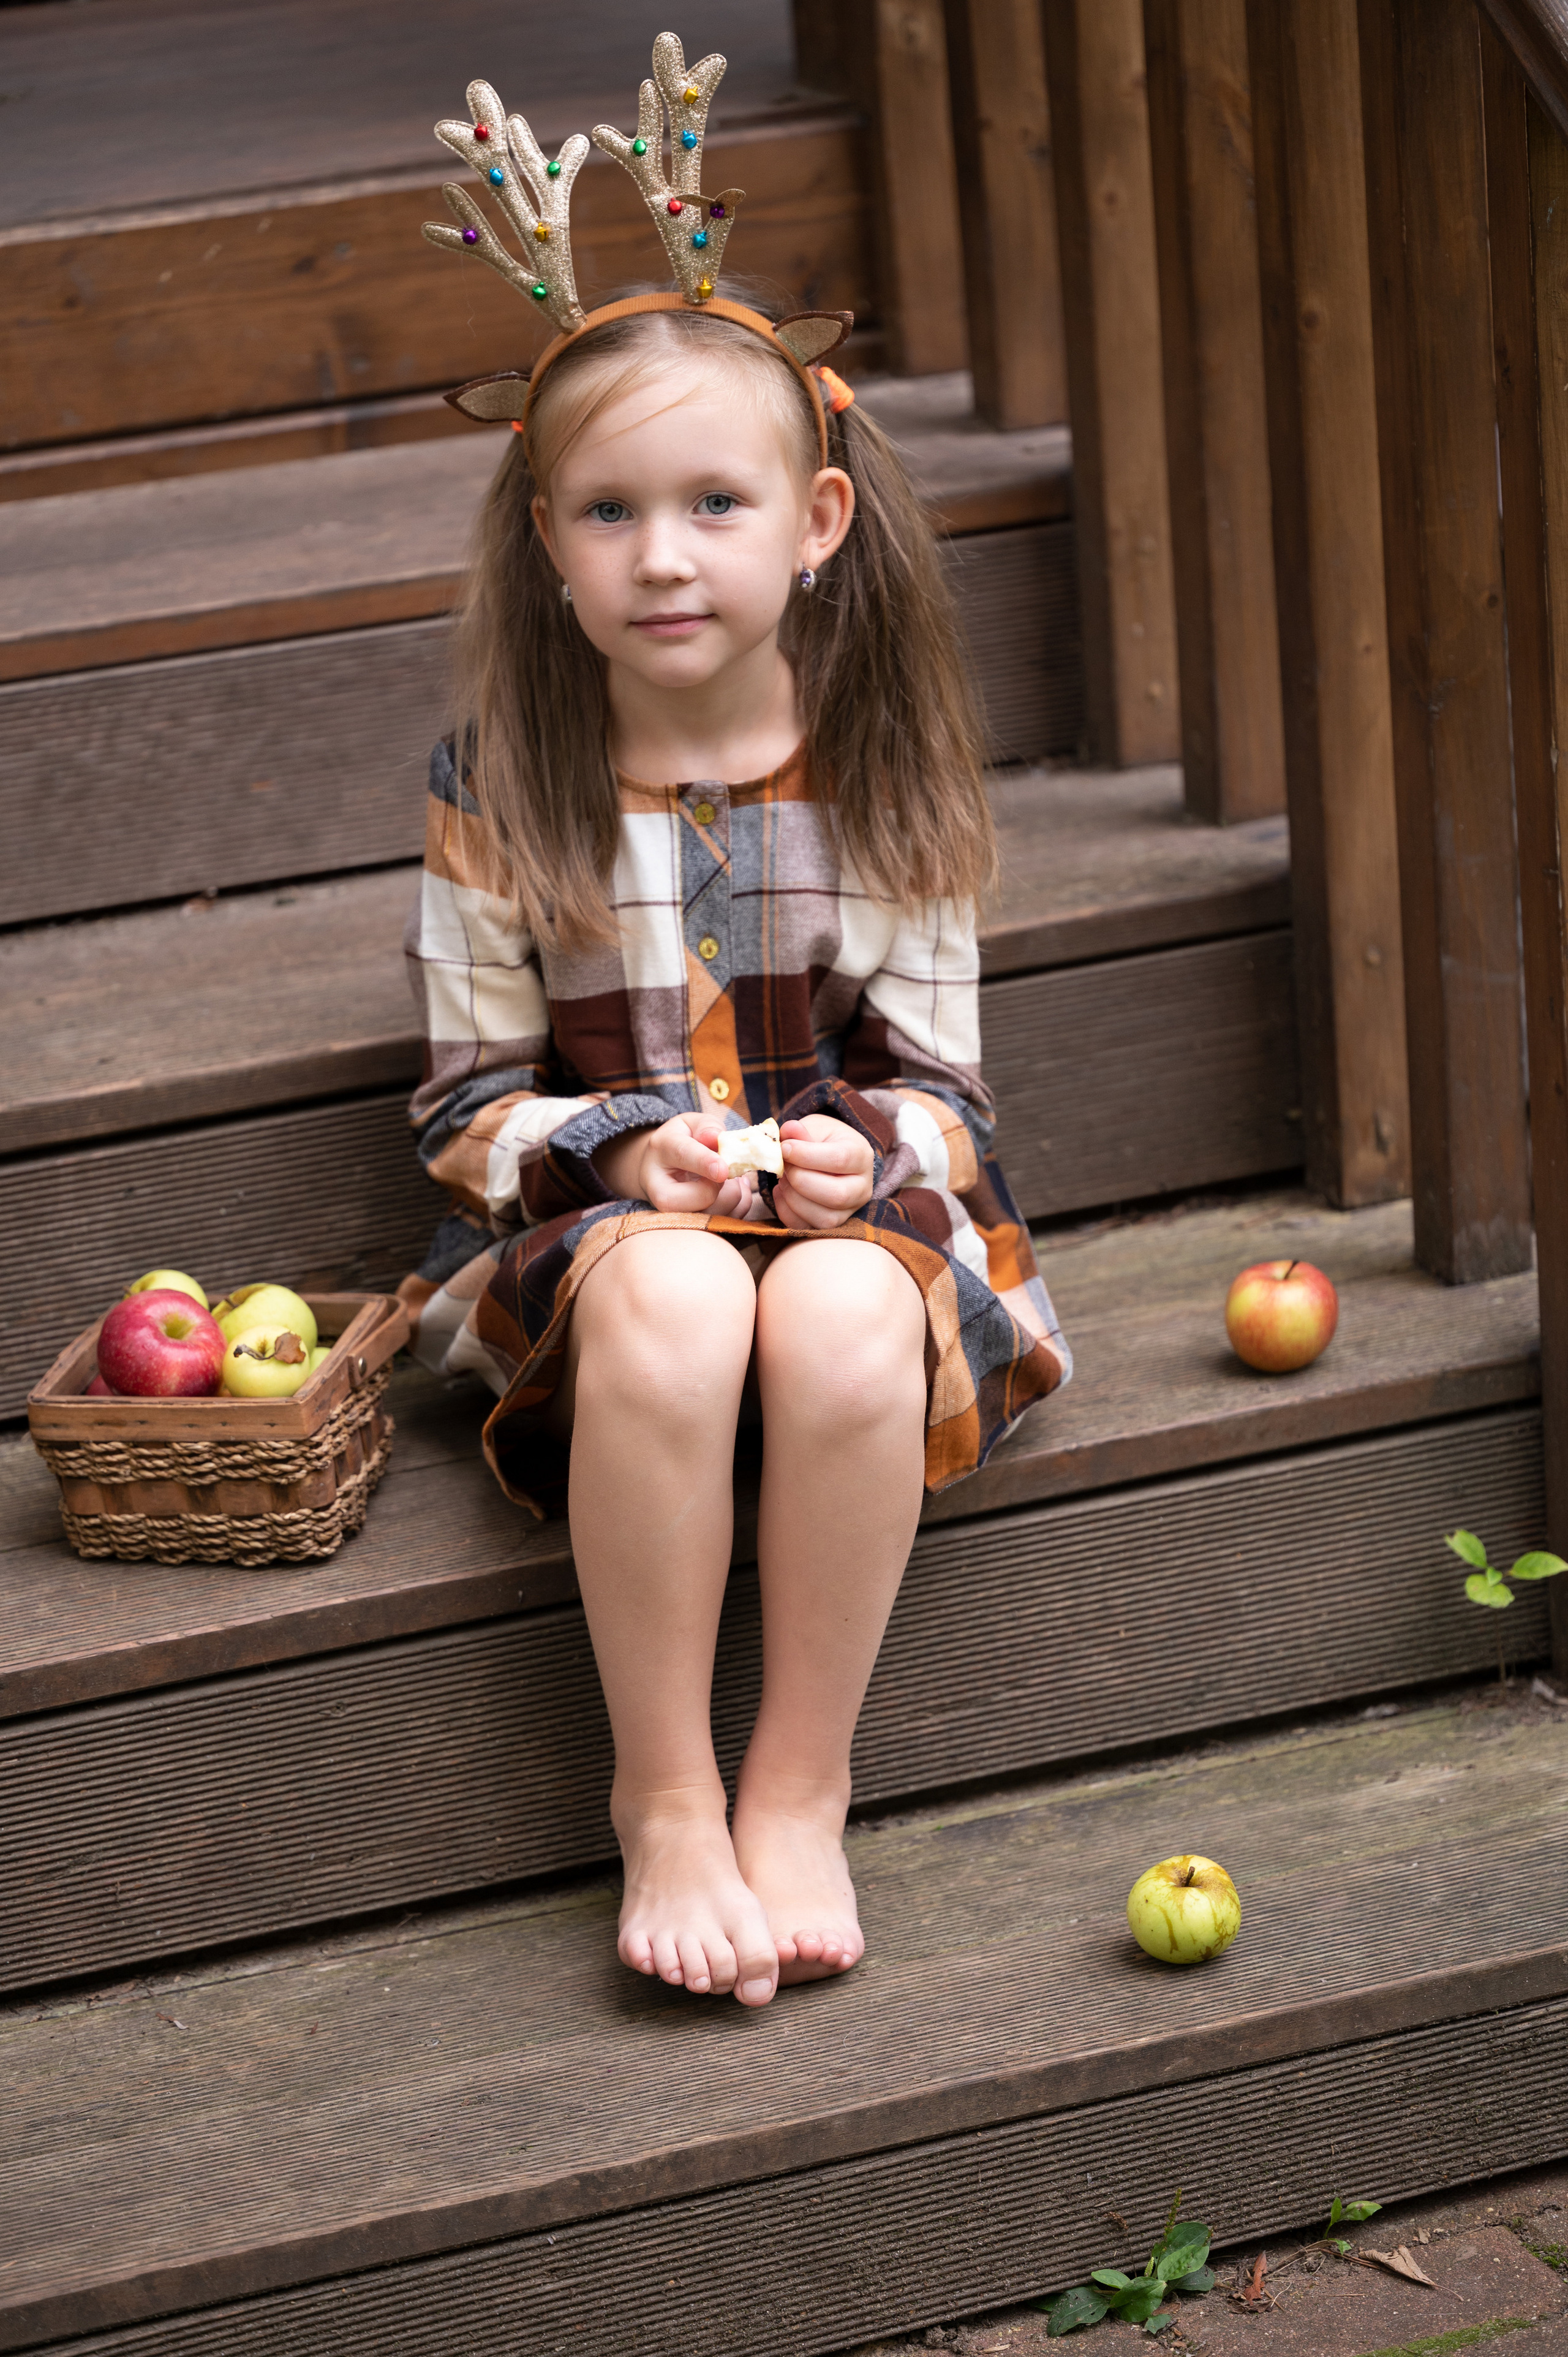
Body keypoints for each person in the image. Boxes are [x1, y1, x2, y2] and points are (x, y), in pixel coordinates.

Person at [401, 40, 1070, 2014]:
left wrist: (878, 1148)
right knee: (687, 1298)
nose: (665, 555)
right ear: (548, 541)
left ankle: (801, 1784)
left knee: (849, 1307)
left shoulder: (886, 768)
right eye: (609, 512)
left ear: (818, 518)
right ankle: (666, 1791)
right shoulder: (500, 777)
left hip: (850, 1213)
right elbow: (462, 1103)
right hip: (608, 1235)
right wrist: (616, 1146)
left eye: (714, 501)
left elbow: (946, 1085)